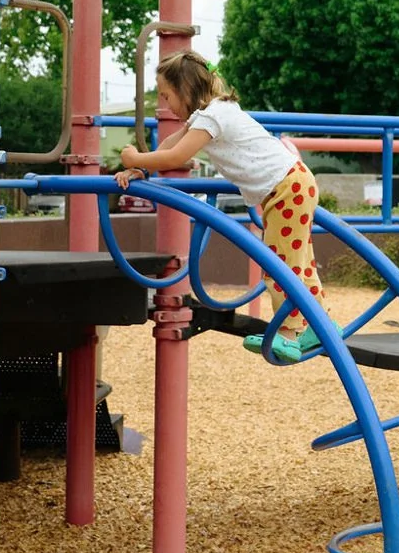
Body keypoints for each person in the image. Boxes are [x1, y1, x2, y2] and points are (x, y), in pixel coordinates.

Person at [115, 50, 327, 363]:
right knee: (298, 261)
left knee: (281, 267)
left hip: (285, 188)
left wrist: (134, 157)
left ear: (186, 89)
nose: (165, 104)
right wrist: (142, 169)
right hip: (290, 185)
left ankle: (290, 334)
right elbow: (172, 144)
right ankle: (320, 326)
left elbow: (177, 156)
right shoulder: (211, 113)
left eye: (167, 95)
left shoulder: (212, 117)